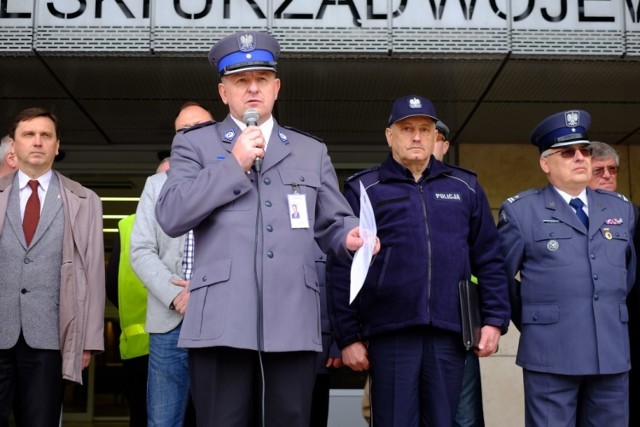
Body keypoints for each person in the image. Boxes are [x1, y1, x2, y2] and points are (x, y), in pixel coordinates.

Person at [154, 31, 377, 427]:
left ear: (276, 88)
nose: (252, 88)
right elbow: (171, 214)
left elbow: (333, 219)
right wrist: (231, 165)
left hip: (292, 319)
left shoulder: (311, 150)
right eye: (241, 81)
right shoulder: (196, 145)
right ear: (224, 92)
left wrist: (349, 235)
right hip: (221, 321)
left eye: (261, 79)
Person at [327, 95, 509, 427]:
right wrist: (348, 337)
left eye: (425, 129)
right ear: (389, 136)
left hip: (448, 333)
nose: (416, 137)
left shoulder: (464, 187)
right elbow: (342, 266)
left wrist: (495, 320)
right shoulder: (365, 188)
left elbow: (490, 259)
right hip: (391, 334)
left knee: (444, 421)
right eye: (407, 128)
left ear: (434, 136)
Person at [497, 110, 636, 426]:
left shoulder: (621, 209)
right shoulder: (521, 211)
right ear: (546, 164)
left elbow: (628, 276)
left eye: (584, 151)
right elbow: (500, 277)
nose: (580, 158)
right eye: (567, 152)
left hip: (610, 354)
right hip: (551, 354)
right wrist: (537, 318)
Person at [0, 107, 105, 426]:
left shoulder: (84, 200)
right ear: (12, 146)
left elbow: (94, 273)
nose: (37, 142)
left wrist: (89, 340)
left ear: (57, 146)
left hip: (50, 339)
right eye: (28, 135)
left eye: (46, 135)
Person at [129, 103, 213, 427]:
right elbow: (140, 250)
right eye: (182, 130)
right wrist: (176, 294)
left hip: (218, 318)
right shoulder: (155, 186)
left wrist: (202, 291)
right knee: (163, 421)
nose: (190, 135)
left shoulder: (234, 179)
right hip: (168, 321)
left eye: (199, 127)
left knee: (221, 417)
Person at [586, 141, 640, 427]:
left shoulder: (634, 216)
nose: (607, 175)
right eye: (599, 170)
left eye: (613, 170)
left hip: (627, 337)